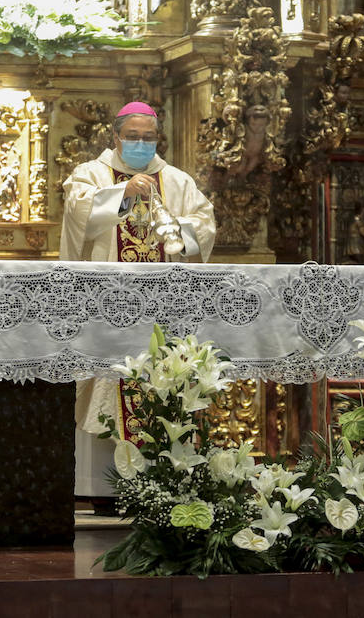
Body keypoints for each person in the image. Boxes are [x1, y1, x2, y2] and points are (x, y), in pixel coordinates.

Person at [60, 102, 216, 503]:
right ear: (116, 137)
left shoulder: (177, 181)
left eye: (148, 138)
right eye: (133, 137)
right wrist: (121, 196)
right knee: (106, 385)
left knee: (164, 382)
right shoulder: (91, 174)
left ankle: (161, 484)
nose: (141, 144)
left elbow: (205, 224)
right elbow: (79, 212)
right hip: (106, 308)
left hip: (163, 312)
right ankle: (102, 489)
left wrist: (175, 226)